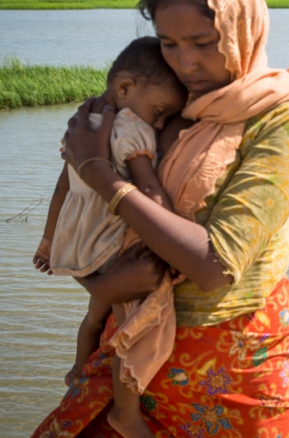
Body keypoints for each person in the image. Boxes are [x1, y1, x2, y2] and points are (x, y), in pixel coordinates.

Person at [32, 0, 289, 438]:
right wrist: (101, 287)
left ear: (242, 26)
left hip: (231, 360)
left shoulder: (286, 118)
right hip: (130, 348)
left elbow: (215, 266)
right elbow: (89, 233)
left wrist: (103, 175)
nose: (187, 63)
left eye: (204, 41)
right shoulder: (154, 109)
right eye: (169, 44)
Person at [32, 36, 187, 438]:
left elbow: (62, 188)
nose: (158, 123)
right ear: (125, 88)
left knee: (94, 316)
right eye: (159, 111)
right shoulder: (132, 129)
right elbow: (149, 191)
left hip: (78, 243)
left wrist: (49, 241)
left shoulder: (84, 121)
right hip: (112, 245)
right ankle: (126, 411)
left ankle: (78, 373)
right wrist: (174, 243)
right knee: (131, 328)